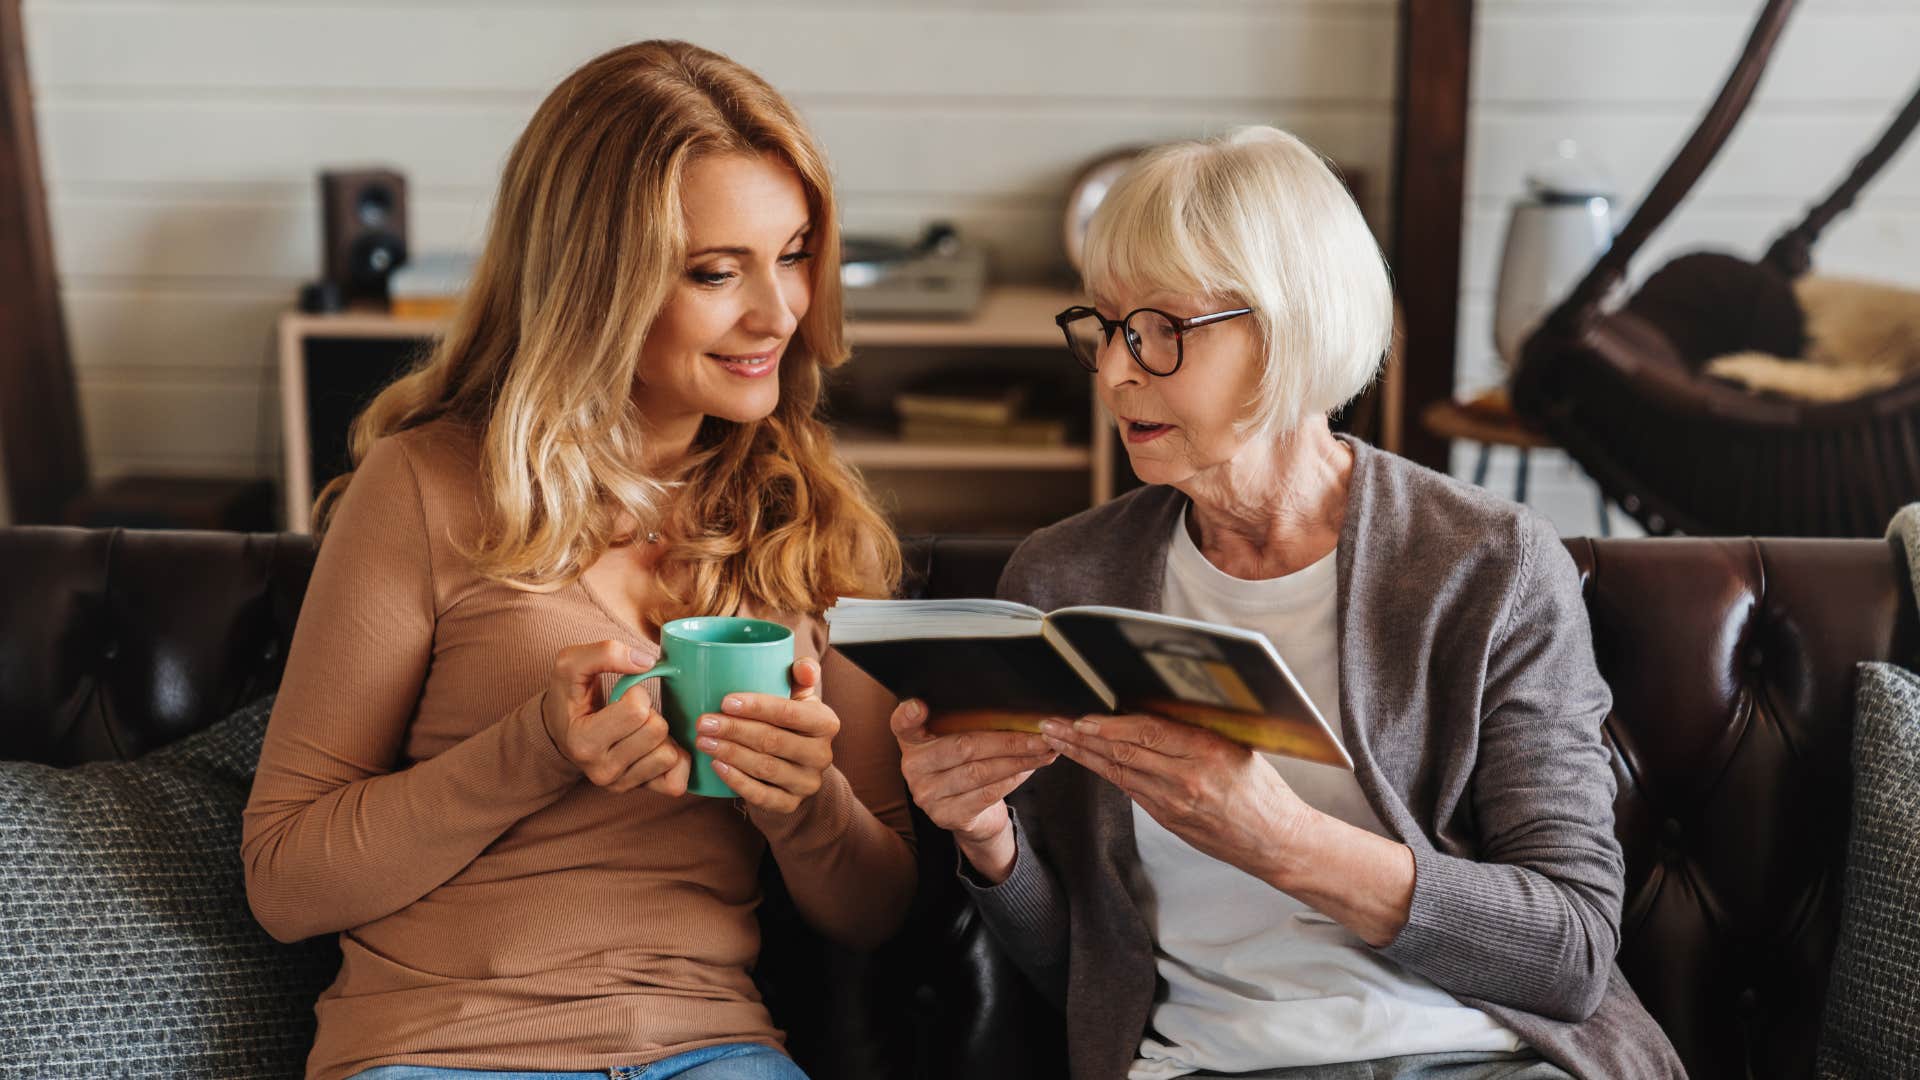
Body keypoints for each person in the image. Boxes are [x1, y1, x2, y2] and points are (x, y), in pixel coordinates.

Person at [891, 127, 1685, 1080]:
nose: (1113, 371)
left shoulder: (1491, 566)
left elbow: (1571, 948)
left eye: (1159, 330)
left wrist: (1282, 841)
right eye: (1104, 327)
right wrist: (988, 845)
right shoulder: (1066, 580)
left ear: (1288, 326)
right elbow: (1081, 971)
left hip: (1488, 1059)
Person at [242, 40, 915, 1080]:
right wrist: (537, 751)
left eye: (792, 254)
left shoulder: (814, 529)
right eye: (715, 271)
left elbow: (875, 911)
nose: (777, 312)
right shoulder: (427, 487)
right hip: (439, 1050)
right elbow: (284, 881)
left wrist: (802, 803)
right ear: (596, 283)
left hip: (710, 1048)